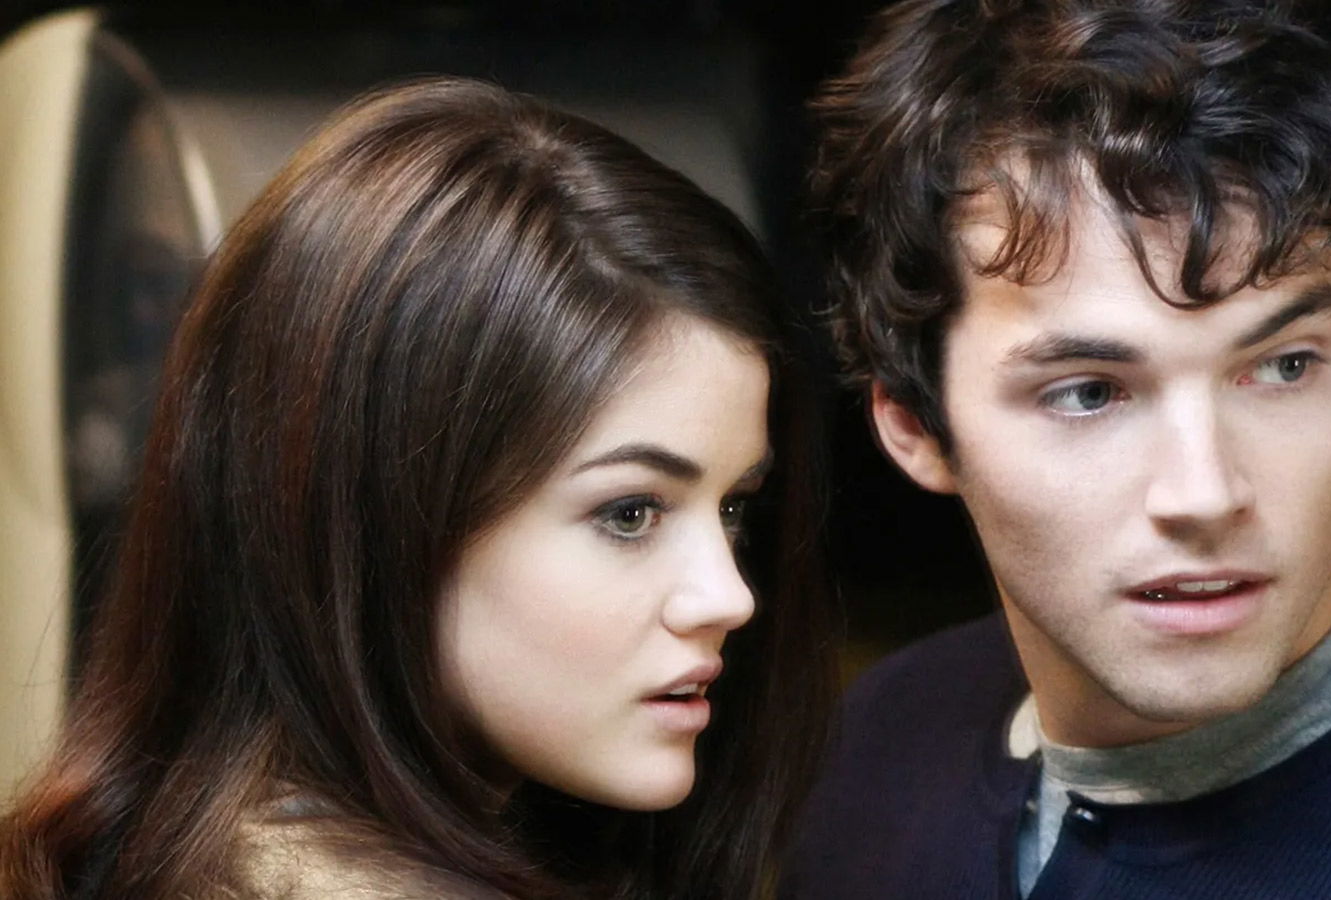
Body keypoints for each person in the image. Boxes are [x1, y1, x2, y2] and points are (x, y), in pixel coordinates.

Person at [784, 1, 1331, 897]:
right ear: (913, 423)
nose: (1205, 493)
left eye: (1284, 366)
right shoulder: (871, 751)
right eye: (1089, 392)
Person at [0, 77, 833, 899]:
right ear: (381, 519)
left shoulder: (167, 844)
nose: (729, 596)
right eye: (630, 513)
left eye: (734, 507)